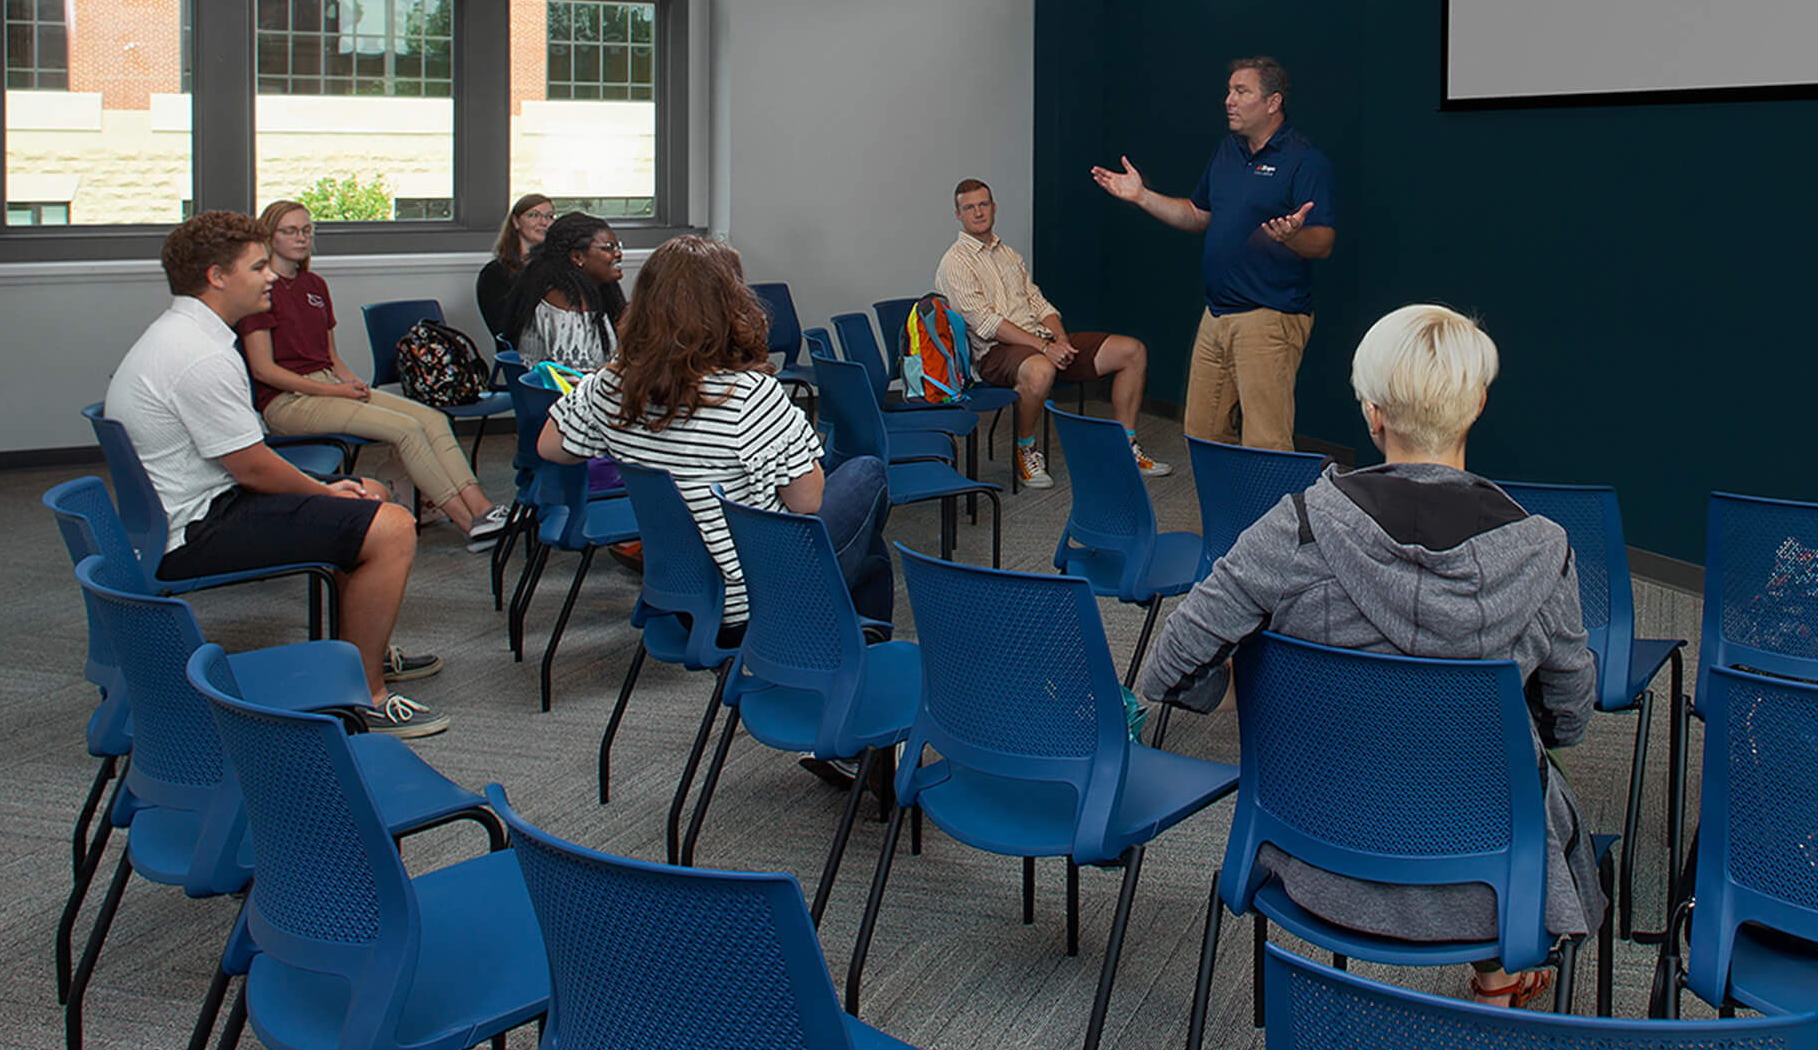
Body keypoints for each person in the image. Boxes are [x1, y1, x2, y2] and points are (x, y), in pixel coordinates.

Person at [1138, 304, 1601, 1006]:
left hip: (1313, 863)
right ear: (1476, 404)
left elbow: (1171, 668)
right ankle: (1499, 966)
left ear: (1371, 412)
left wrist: (1262, 684)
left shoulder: (1295, 528)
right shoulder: (1543, 552)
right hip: (1491, 881)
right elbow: (1568, 721)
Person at [105, 212, 448, 738]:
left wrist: (335, 493)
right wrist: (327, 491)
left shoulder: (184, 333)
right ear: (218, 277)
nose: (271, 276)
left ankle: (359, 651)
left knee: (371, 494)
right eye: (258, 265)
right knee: (391, 524)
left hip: (193, 508)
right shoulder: (198, 355)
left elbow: (245, 462)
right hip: (195, 529)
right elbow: (251, 466)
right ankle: (366, 695)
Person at [538, 236, 896, 629]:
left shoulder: (612, 384)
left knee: (870, 556)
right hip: (750, 597)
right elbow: (806, 501)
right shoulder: (749, 395)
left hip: (678, 589)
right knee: (866, 474)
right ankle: (833, 653)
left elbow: (551, 447)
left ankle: (836, 646)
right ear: (730, 307)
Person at [1091, 56, 1336, 452]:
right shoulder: (1227, 151)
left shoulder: (1304, 160)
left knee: (1265, 443)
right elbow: (1196, 215)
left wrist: (1292, 236)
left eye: (1242, 91)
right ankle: (1227, 517)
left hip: (1269, 317)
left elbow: (1322, 242)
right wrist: (1142, 196)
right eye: (1229, 90)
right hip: (1217, 315)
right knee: (1202, 435)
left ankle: (1273, 517)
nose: (1229, 100)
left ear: (1273, 102)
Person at [239, 200, 509, 551]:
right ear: (269, 236)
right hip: (288, 402)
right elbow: (264, 370)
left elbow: (331, 355)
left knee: (432, 418)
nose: (301, 238)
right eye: (290, 231)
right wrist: (335, 393)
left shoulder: (314, 285)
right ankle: (465, 522)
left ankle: (483, 509)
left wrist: (351, 383)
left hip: (328, 384)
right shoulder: (259, 290)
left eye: (307, 230)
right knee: (406, 429)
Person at [936, 177, 1166, 487]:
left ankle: (1126, 447)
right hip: (995, 354)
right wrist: (1044, 349)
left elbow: (1040, 304)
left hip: (1040, 342)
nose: (978, 212)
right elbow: (986, 324)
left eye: (983, 204)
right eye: (969, 207)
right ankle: (1025, 451)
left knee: (1132, 351)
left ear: (993, 208)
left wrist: (1060, 339)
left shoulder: (1009, 256)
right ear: (958, 215)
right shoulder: (955, 263)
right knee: (1041, 369)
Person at [501, 212, 626, 372]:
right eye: (608, 248)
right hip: (557, 395)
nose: (618, 254)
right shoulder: (565, 304)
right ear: (577, 257)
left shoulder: (586, 293)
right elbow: (575, 378)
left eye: (618, 246)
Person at [478, 192, 554, 343]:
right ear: (516, 222)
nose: (543, 222)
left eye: (549, 217)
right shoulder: (494, 273)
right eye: (534, 215)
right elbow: (503, 329)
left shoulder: (557, 267)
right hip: (520, 353)